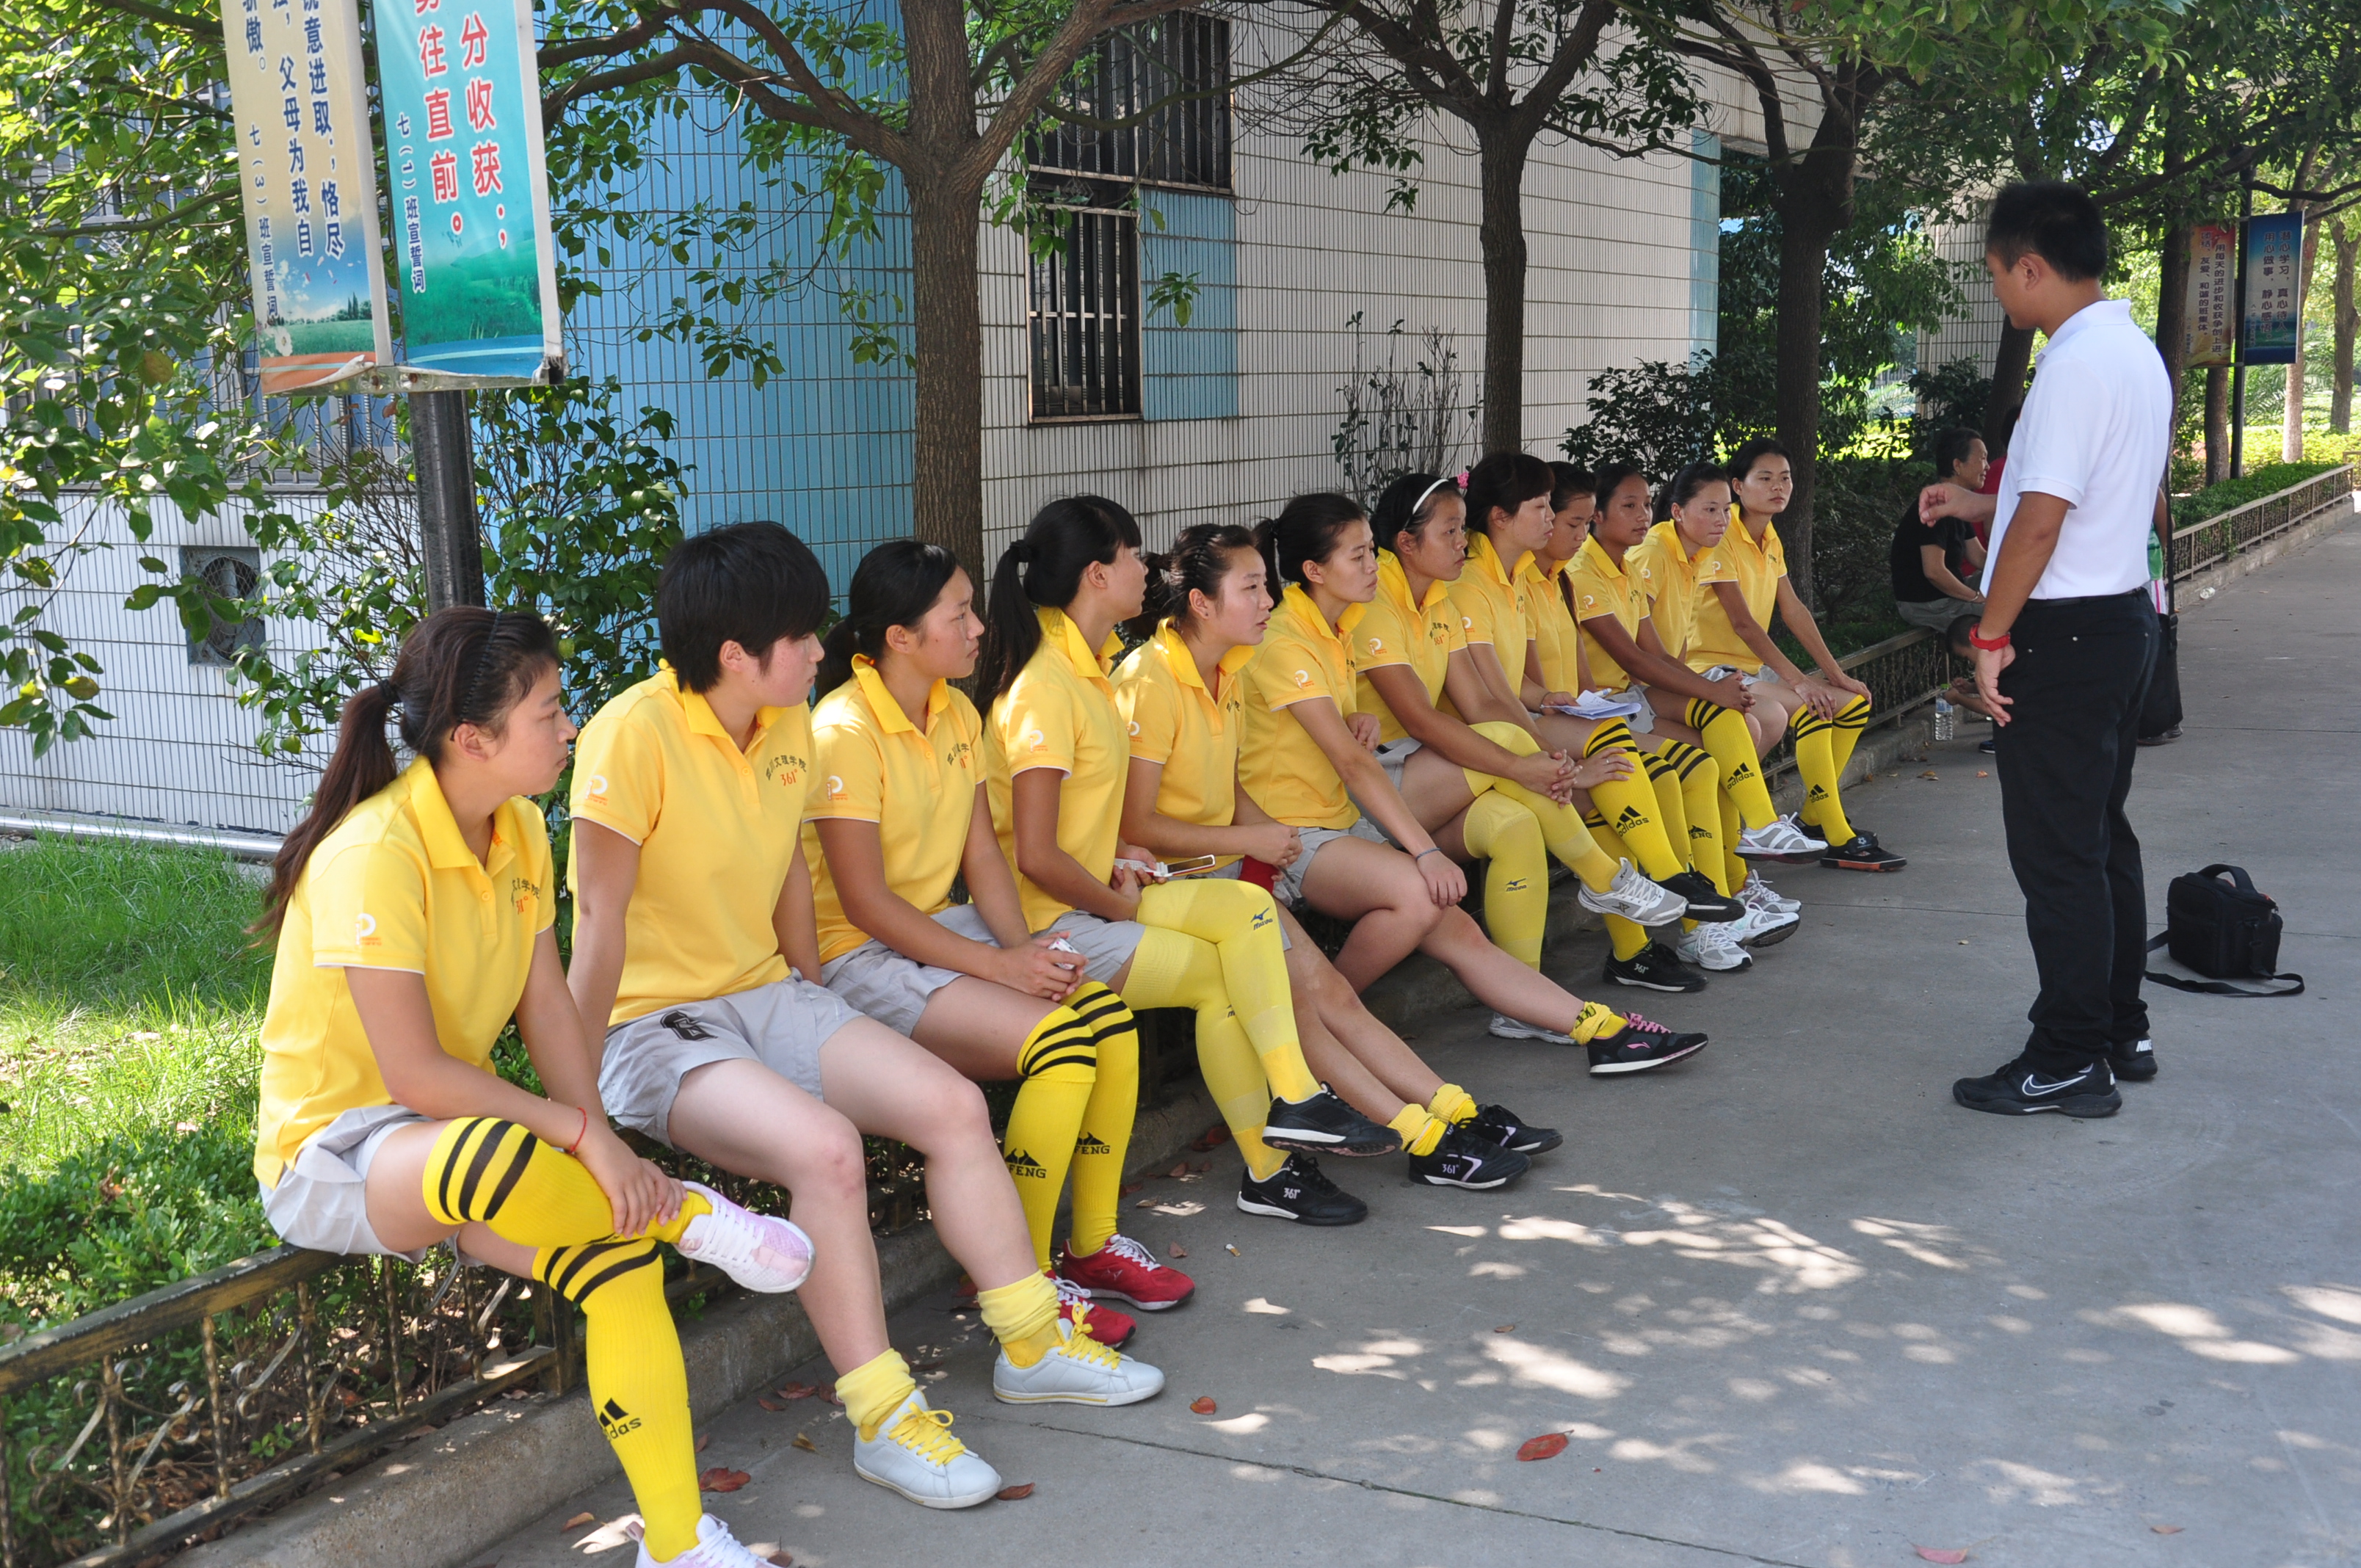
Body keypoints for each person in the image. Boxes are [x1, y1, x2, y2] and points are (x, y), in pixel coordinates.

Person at [570, 524, 1161, 1516]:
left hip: (769, 994)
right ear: (735, 654)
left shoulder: (787, 722)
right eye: (801, 636)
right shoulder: (631, 734)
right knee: (829, 1152)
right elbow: (597, 924)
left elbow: (786, 882)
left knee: (951, 1108)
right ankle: (886, 1418)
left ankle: (1030, 1345)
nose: (820, 649)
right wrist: (580, 1110)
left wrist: (815, 997)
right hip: (657, 1023)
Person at [253, 608, 813, 1568]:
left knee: (618, 1263)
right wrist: (584, 1138)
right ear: (473, 739)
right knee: (504, 1150)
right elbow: (412, 1074)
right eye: (549, 713)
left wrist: (598, 1133)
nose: (570, 727)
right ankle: (686, 1215)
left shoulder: (516, 825)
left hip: (447, 1139)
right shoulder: (375, 854)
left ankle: (677, 1544)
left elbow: (548, 1006)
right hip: (336, 1156)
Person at [975, 496, 1400, 1230]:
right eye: (1132, 556)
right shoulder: (1048, 686)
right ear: (1097, 575)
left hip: (1099, 892)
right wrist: (1118, 900)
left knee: (1244, 929)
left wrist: (1121, 852)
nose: (1147, 569)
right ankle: (1285, 1128)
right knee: (1235, 946)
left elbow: (1078, 819)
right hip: (1055, 918)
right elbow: (1035, 854)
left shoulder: (1090, 667)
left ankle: (1284, 1137)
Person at [804, 539, 1192, 1334]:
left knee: (1108, 1021)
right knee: (1063, 1046)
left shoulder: (955, 709)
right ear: (900, 637)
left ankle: (1091, 1247)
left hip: (937, 933)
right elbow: (866, 904)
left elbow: (983, 855)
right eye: (958, 615)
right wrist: (998, 966)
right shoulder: (843, 728)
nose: (978, 627)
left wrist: (1029, 954)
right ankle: (1026, 1278)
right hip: (858, 955)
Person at [1113, 522, 1553, 1192]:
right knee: (1308, 1001)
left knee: (1332, 995)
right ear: (1201, 603)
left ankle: (1454, 1112)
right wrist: (1252, 842)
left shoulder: (1224, 668)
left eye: (1266, 585)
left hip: (1229, 875)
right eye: (1251, 588)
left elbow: (1223, 788)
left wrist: (1266, 835)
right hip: (1176, 886)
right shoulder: (1150, 678)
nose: (1268, 599)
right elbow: (1135, 824)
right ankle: (1425, 1138)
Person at [1241, 490, 1710, 1077]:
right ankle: (1318, 1025)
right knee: (1422, 893)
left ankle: (1602, 1029)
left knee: (1480, 893)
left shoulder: (1337, 626)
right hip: (1295, 836)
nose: (1372, 564)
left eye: (1370, 551)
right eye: (1358, 556)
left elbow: (1337, 730)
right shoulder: (1287, 638)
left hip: (1344, 818)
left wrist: (1355, 718)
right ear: (1314, 571)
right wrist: (1426, 852)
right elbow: (1356, 764)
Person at [1913, 181, 2169, 1117]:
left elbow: (2043, 524)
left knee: (2059, 857)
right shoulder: (2132, 352)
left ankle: (2067, 1057)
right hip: (2121, 621)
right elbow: (2080, 493)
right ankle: (2119, 1027)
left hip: (2065, 634)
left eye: (1995, 274)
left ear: (2031, 266)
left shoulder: (2071, 366)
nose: (1996, 292)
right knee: (2100, 839)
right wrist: (1980, 499)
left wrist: (1989, 634)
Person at [1345, 471, 1708, 1029]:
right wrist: (1541, 767)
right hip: (1373, 786)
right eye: (1450, 531)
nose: (1463, 542)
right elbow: (1421, 717)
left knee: (1516, 826)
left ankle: (1523, 1009)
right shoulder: (1379, 603)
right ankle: (1604, 879)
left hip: (1422, 774)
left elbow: (1480, 703)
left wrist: (1549, 765)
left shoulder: (1438, 596)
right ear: (1407, 543)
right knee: (1515, 747)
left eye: (1462, 529)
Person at [1574, 461, 1819, 982]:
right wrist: (1710, 687)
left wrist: (1712, 691)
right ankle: (1702, 914)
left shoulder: (1628, 566)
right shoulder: (1599, 567)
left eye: (1645, 504)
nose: (1642, 515)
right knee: (1685, 767)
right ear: (1595, 516)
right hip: (1603, 711)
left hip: (1625, 703)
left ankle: (1738, 872)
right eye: (1628, 506)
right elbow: (1634, 661)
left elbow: (1657, 655)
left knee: (1714, 754)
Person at [1625, 464, 1811, 939]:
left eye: (1725, 510)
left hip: (1652, 691)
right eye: (1710, 510)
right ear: (1677, 512)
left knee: (1731, 742)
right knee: (1718, 753)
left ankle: (1735, 886)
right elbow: (1643, 658)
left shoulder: (1698, 554)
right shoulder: (1652, 553)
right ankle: (1728, 885)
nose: (1721, 520)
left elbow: (1674, 648)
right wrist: (1709, 689)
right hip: (1625, 698)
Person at [1702, 438, 1906, 872]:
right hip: (1708, 669)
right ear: (1737, 486)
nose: (1778, 487)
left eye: (1785, 478)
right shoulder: (1721, 534)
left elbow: (1793, 610)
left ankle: (1813, 820)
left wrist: (1838, 675)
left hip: (1748, 670)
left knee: (1851, 703)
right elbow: (1743, 623)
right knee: (1814, 707)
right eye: (1765, 478)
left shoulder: (1769, 536)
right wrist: (1801, 682)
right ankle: (1838, 835)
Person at [1891, 427, 1991, 636]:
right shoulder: (1935, 506)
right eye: (1982, 458)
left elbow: (1980, 558)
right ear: (1957, 465)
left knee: (2008, 584)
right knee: (2001, 615)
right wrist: (1975, 598)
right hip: (1927, 604)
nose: (1987, 466)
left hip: (1950, 594)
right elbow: (1934, 572)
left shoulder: (1958, 504)